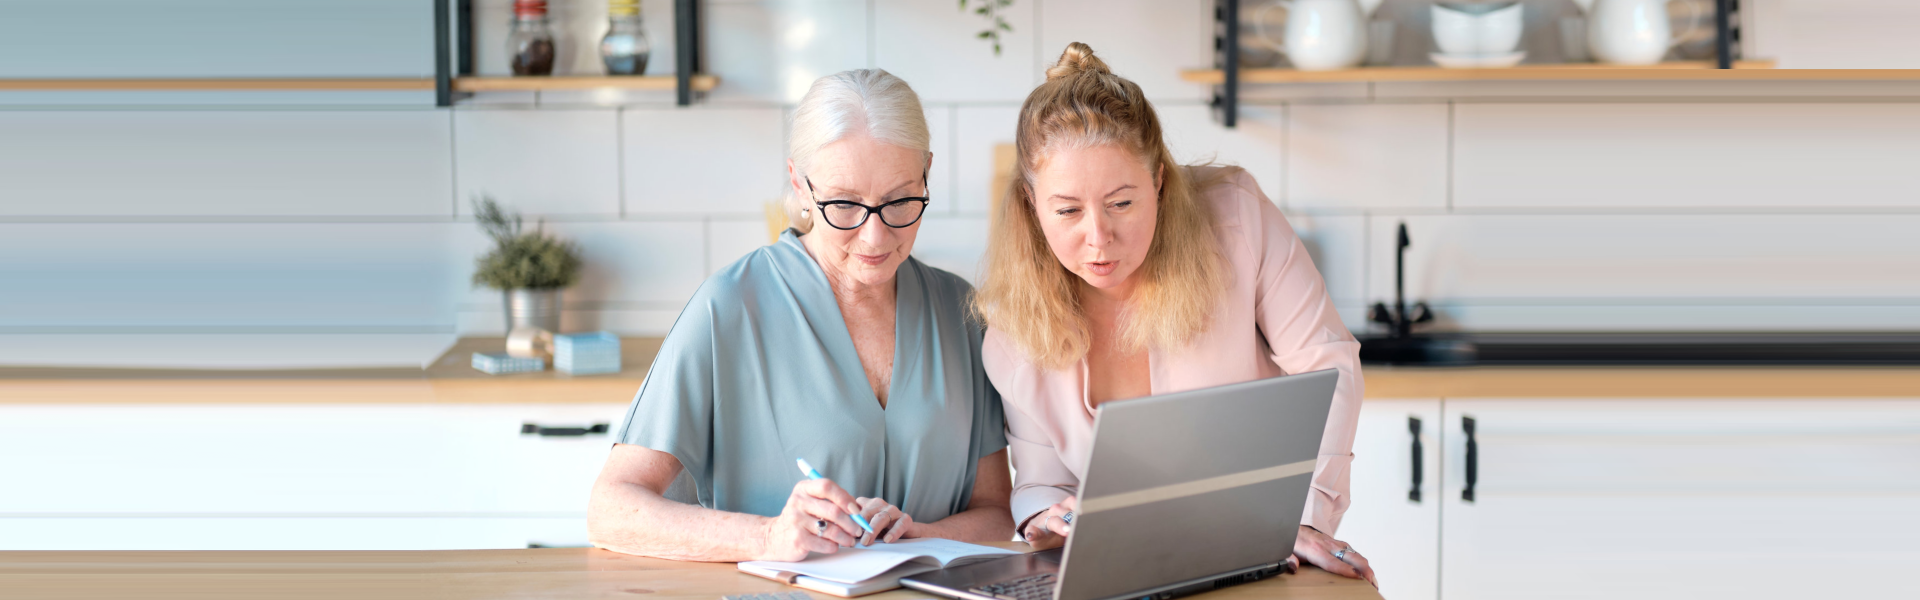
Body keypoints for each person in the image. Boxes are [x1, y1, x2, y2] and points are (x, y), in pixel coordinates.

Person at [970, 43, 1376, 585]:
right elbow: (1042, 482)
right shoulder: (1012, 332)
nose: (1098, 239)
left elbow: (1329, 367)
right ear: (1030, 203)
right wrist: (1048, 517)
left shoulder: (1236, 216)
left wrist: (1300, 521)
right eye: (1067, 210)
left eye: (1122, 203)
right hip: (1133, 577)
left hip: (1269, 557)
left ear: (1159, 181)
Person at [587, 69, 1014, 562]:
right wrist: (768, 537)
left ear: (926, 174)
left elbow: (996, 512)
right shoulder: (729, 307)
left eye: (899, 200)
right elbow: (611, 508)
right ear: (800, 184)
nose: (875, 237)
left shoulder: (959, 313)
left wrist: (926, 536)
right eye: (844, 204)